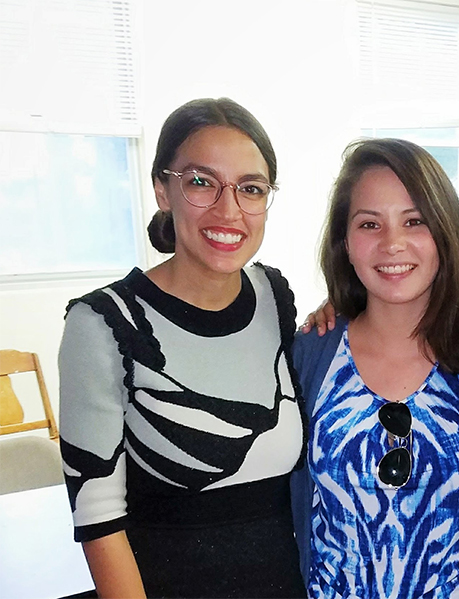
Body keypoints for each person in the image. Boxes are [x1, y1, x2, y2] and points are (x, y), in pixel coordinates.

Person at [59, 98, 307, 598]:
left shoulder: (274, 296)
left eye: (251, 189)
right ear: (162, 190)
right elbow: (98, 521)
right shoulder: (103, 323)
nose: (228, 209)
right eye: (200, 182)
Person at [291, 138, 459, 598]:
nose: (392, 243)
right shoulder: (310, 356)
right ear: (345, 243)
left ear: (445, 232)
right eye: (369, 223)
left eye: (414, 221)